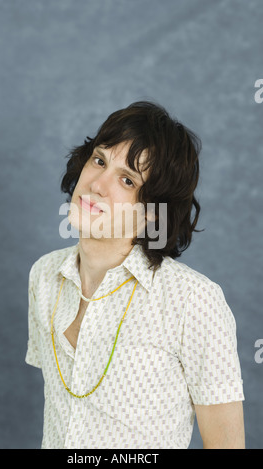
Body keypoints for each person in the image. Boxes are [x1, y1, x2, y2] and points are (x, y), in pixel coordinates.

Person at [25, 101, 245, 449]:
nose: (97, 184)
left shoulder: (193, 301)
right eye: (99, 160)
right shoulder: (44, 276)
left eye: (127, 180)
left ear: (153, 214)